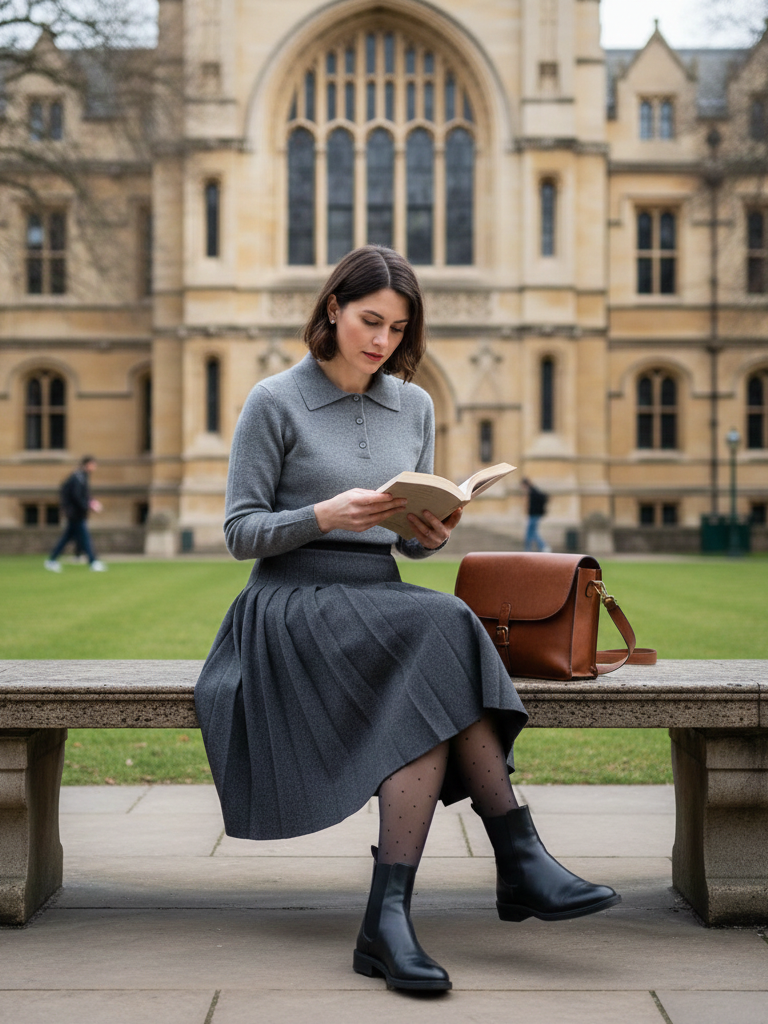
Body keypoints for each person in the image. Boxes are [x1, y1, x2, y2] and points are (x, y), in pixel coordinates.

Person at [195, 246, 619, 994]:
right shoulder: (274, 400)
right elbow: (239, 533)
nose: (381, 340)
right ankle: (516, 856)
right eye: (368, 320)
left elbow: (406, 543)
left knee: (433, 636)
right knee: (444, 627)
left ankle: (389, 918)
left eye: (396, 327)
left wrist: (428, 534)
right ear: (332, 309)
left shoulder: (415, 405)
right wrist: (323, 514)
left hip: (380, 599)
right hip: (292, 604)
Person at [44, 456, 107, 572]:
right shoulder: (77, 477)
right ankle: (93, 562)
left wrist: (91, 503)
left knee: (67, 538)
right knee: (85, 538)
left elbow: (84, 495)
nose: (94, 468)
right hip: (75, 514)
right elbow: (77, 497)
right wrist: (88, 506)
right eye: (93, 465)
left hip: (76, 514)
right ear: (87, 464)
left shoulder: (81, 477)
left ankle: (52, 560)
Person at [522, 477, 551, 552]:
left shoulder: (533, 491)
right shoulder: (533, 490)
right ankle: (531, 548)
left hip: (534, 515)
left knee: (531, 532)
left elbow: (534, 504)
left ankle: (542, 546)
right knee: (531, 532)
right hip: (534, 515)